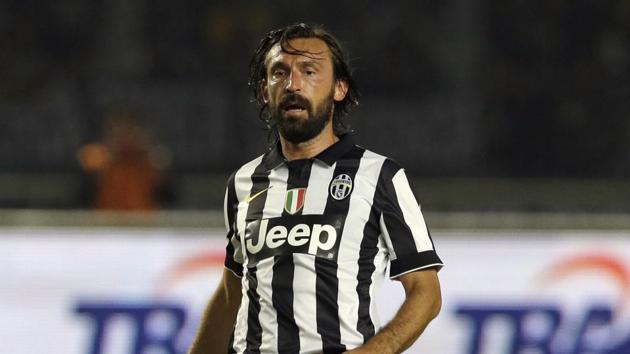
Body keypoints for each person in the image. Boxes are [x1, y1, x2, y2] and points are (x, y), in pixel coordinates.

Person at [188, 23, 443, 354]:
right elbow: (230, 295)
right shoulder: (243, 182)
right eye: (279, 73)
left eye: (309, 71)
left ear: (339, 88)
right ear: (265, 91)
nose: (293, 84)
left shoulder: (380, 176)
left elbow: (426, 292)